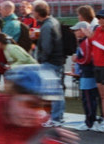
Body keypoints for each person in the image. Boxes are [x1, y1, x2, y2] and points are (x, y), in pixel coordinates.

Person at [32, 0, 65, 128]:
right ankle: (57, 117)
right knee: (56, 91)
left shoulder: (46, 26)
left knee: (53, 92)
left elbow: (46, 47)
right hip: (56, 60)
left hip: (50, 62)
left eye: (34, 11)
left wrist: (41, 59)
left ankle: (55, 117)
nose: (32, 13)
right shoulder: (53, 21)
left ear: (38, 12)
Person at [71, 21, 100, 131]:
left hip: (87, 73)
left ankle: (90, 122)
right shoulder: (84, 42)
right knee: (90, 97)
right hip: (89, 72)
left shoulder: (85, 42)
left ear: (82, 31)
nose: (74, 32)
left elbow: (87, 59)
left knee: (87, 98)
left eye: (76, 30)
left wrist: (77, 59)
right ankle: (92, 120)